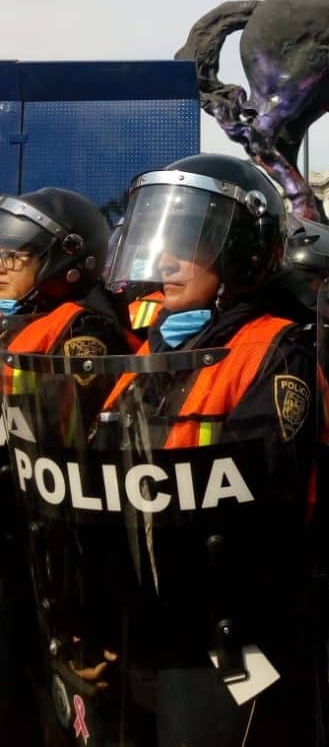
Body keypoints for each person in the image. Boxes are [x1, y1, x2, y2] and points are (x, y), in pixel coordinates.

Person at [85, 154, 325, 746]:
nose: (163, 259)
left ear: (239, 251)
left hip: (224, 638)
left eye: (186, 243)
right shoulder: (147, 353)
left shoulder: (274, 350)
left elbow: (259, 495)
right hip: (144, 623)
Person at [0, 188, 137, 743]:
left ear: (67, 261)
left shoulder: (84, 333)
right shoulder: (19, 323)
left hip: (49, 551)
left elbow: (83, 472)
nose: (2, 264)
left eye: (19, 254)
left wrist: (86, 608)